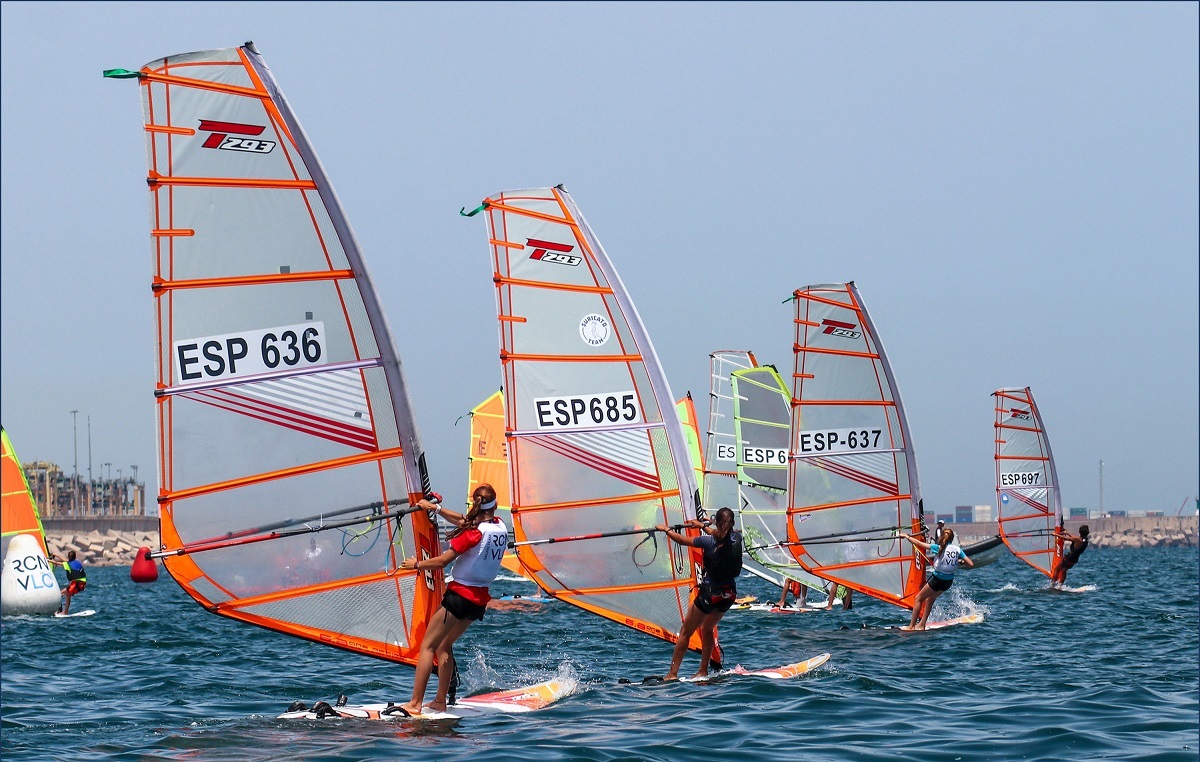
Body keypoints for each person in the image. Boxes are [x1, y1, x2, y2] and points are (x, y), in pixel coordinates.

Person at [396, 484, 507, 716]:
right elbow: (464, 521)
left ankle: (415, 703)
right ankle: (439, 702)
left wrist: (416, 565)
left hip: (458, 598)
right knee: (444, 645)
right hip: (478, 601)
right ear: (494, 506)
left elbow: (442, 561)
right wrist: (436, 508)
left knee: (427, 646)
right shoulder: (499, 527)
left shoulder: (473, 533)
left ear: (474, 506)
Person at [656, 506, 742, 681]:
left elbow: (681, 540)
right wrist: (702, 526)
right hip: (729, 595)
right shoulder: (738, 538)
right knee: (707, 628)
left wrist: (666, 530)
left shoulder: (708, 542)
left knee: (686, 632)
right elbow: (720, 534)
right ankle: (703, 671)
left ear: (717, 523)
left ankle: (672, 674)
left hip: (711, 594)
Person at [902, 527, 974, 631]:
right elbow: (971, 564)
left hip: (937, 580)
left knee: (918, 599)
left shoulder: (938, 547)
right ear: (952, 538)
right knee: (929, 599)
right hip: (948, 582)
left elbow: (918, 543)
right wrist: (960, 562)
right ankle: (922, 625)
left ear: (942, 537)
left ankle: (911, 626)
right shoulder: (958, 550)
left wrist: (907, 536)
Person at [47, 550, 86, 615]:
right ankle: (65, 612)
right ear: (75, 557)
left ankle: (57, 610)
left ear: (68, 557)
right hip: (82, 584)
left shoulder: (67, 564)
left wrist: (47, 560)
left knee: (59, 594)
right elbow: (65, 560)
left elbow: (57, 563)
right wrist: (56, 555)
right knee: (68, 595)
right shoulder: (77, 562)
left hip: (77, 583)